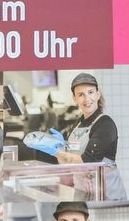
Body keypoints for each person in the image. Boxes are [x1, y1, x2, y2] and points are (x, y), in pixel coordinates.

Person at [52, 73, 124, 202]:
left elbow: (88, 161)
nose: (86, 99)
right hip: (82, 193)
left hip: (105, 193)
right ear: (74, 99)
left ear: (97, 94)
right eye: (81, 94)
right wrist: (58, 149)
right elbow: (66, 164)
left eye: (90, 92)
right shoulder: (77, 124)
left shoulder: (105, 124)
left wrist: (57, 152)